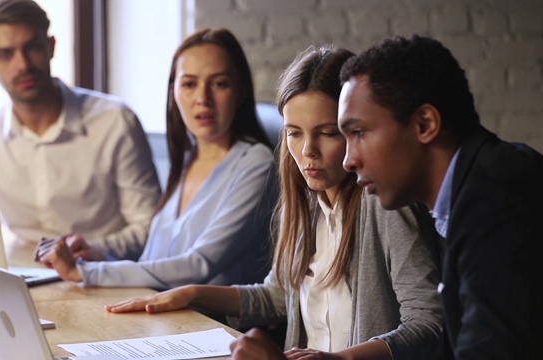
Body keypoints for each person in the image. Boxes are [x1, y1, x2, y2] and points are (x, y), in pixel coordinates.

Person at [105, 46, 444, 360]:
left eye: (327, 133)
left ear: (353, 131)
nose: (308, 150)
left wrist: (341, 359)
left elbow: (429, 323)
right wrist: (192, 293)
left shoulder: (384, 204)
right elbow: (278, 296)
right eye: (294, 133)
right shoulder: (307, 202)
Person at [338, 34, 543, 359]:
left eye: (359, 133)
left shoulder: (499, 204)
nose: (348, 160)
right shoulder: (477, 188)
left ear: (425, 124)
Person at [34, 28, 276, 290]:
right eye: (189, 84)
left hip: (213, 324)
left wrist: (87, 271)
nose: (202, 99)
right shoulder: (187, 158)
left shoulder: (257, 165)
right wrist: (98, 254)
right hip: (161, 314)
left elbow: (199, 265)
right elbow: (156, 261)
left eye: (219, 84)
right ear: (174, 91)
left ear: (240, 90)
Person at [0, 0, 161, 266]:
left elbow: (150, 228)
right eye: (5, 54)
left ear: (51, 47)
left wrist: (94, 248)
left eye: (32, 47)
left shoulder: (114, 121)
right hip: (20, 278)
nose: (22, 64)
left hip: (102, 275)